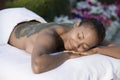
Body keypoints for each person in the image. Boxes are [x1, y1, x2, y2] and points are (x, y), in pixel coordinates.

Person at [8, 17, 120, 74]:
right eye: (79, 37)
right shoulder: (51, 35)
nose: (76, 45)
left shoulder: (87, 35)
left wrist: (98, 50)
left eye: (84, 46)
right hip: (11, 23)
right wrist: (67, 55)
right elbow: (37, 66)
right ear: (76, 25)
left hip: (33, 23)